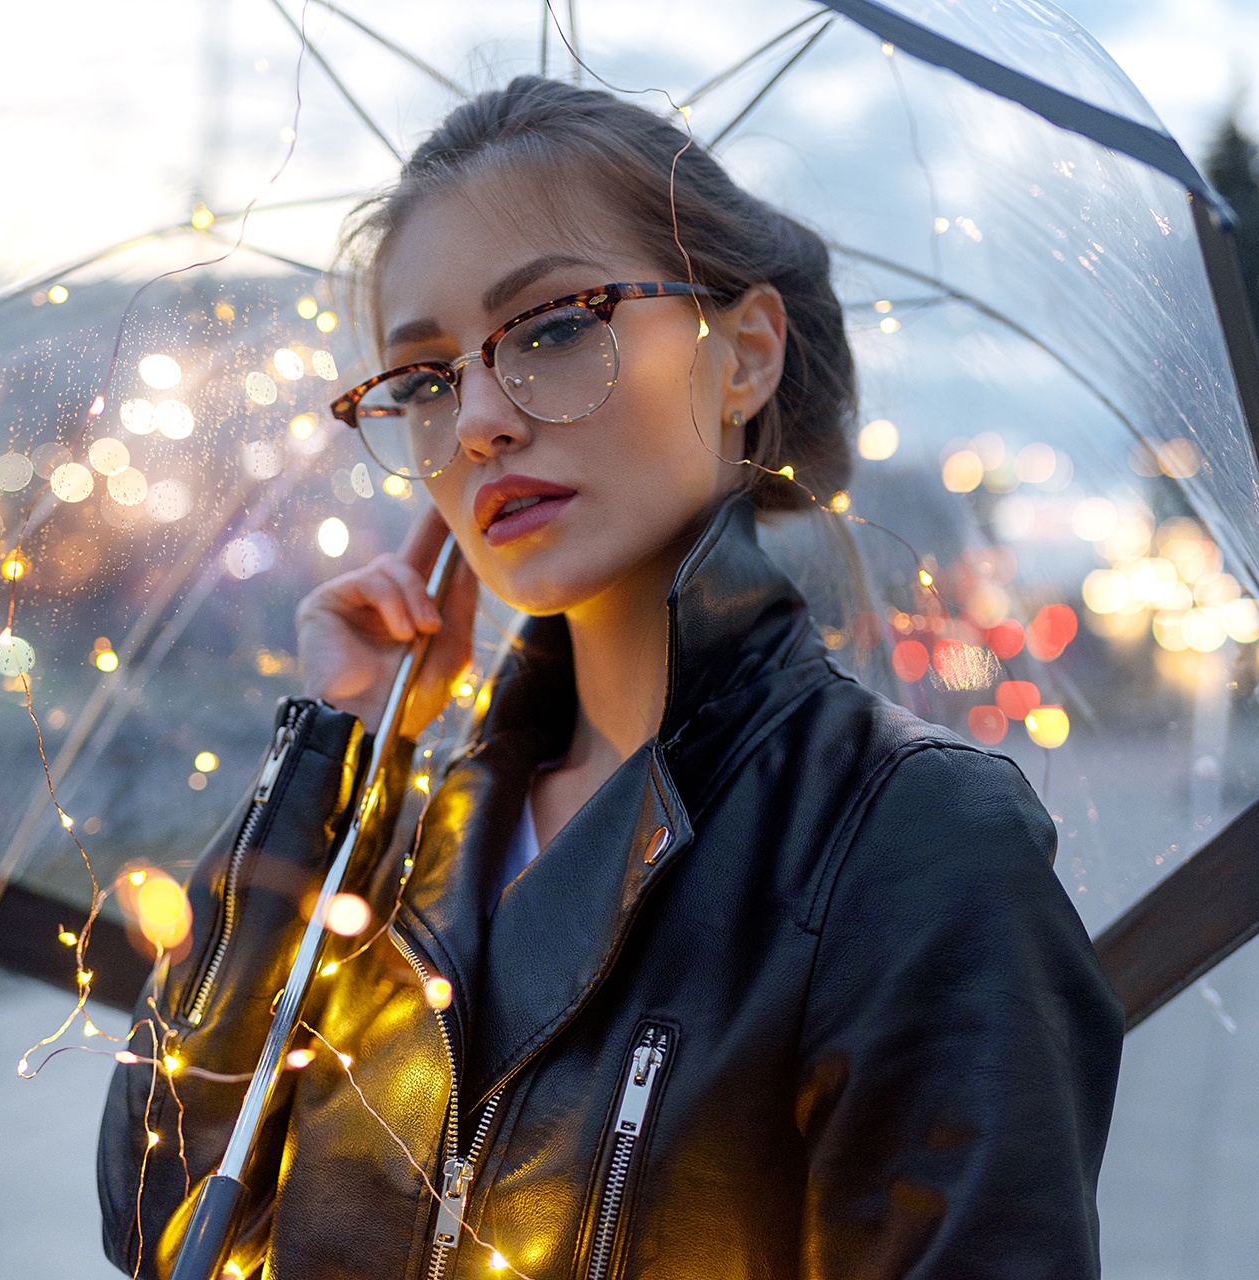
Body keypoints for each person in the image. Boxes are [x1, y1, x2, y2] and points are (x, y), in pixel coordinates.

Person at [100, 75, 1122, 1280]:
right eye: (424, 379)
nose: (478, 417)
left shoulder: (908, 837)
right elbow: (159, 1213)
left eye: (552, 325)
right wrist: (336, 756)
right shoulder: (399, 839)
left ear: (742, 356)